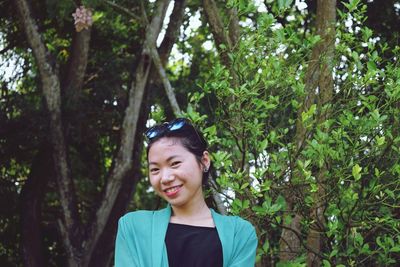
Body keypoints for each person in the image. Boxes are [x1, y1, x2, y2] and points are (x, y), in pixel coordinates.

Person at [115, 118, 258, 267]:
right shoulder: (133, 227)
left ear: (204, 161)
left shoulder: (239, 234)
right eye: (155, 169)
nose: (165, 178)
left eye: (175, 163)